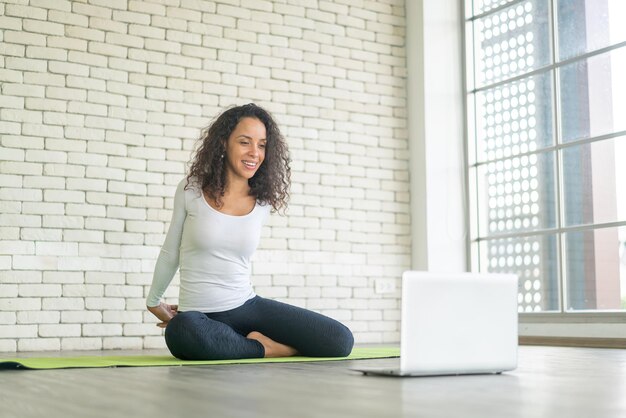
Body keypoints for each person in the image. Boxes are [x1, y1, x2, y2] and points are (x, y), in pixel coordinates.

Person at [146, 103, 354, 360]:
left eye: (262, 145)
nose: (254, 152)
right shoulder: (192, 189)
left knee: (339, 340)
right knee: (181, 330)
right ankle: (268, 348)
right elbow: (171, 251)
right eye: (245, 142)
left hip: (246, 307)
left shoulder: (262, 201)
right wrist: (154, 302)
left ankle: (244, 346)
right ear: (224, 143)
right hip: (198, 315)